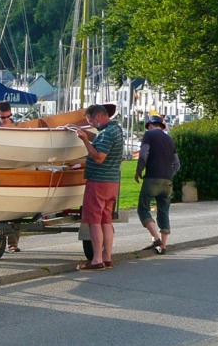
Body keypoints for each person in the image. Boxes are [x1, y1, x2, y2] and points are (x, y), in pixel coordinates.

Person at [73, 103, 124, 271]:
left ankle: (96, 260)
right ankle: (107, 258)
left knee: (94, 222)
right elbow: (100, 140)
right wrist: (81, 131)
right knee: (106, 221)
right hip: (112, 182)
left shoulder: (106, 134)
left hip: (98, 182)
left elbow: (99, 157)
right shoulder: (115, 130)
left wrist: (84, 141)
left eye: (91, 121)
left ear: (99, 117)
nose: (91, 124)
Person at [134, 115, 180, 255]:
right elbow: (177, 164)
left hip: (152, 178)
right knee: (164, 211)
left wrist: (138, 171)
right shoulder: (170, 139)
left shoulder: (149, 135)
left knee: (143, 208)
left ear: (151, 125)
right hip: (167, 181)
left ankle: (155, 238)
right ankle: (164, 246)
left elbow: (143, 154)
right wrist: (168, 175)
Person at [0, 100, 22, 252]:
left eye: (7, 117)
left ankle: (13, 243)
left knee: (15, 208)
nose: (5, 120)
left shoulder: (18, 127)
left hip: (14, 169)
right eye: (2, 118)